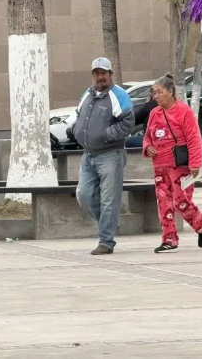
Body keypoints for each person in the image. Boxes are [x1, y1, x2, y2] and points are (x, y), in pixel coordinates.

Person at [71, 57, 135, 255]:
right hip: (88, 155)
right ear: (93, 75)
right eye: (97, 73)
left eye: (104, 73)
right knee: (84, 195)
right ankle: (109, 225)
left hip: (110, 155)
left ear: (110, 74)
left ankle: (106, 241)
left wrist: (106, 135)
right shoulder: (87, 93)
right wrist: (75, 130)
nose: (101, 77)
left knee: (109, 200)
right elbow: (78, 115)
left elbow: (127, 123)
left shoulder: (119, 95)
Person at [143, 74, 202, 253]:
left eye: (160, 92)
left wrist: (195, 163)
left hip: (180, 166)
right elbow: (147, 136)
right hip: (160, 166)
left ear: (171, 92)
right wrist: (148, 147)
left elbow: (194, 138)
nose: (156, 96)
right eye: (154, 92)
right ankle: (169, 239)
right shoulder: (154, 113)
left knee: (180, 201)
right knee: (163, 203)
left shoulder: (184, 112)